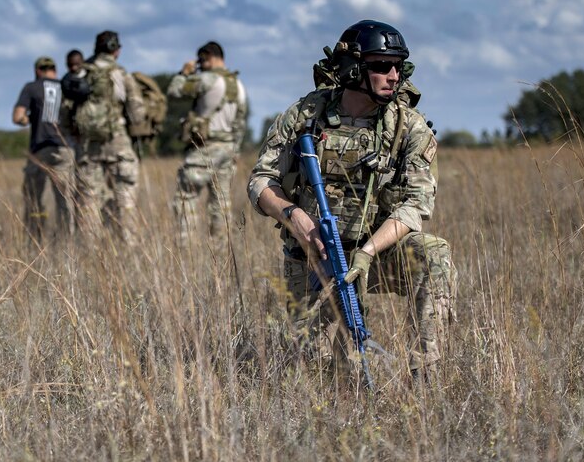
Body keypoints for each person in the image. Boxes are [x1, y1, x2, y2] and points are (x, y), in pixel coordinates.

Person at [247, 20, 456, 378]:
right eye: (381, 66)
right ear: (353, 69)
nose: (393, 75)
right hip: (316, 255)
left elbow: (416, 205)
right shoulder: (305, 116)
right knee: (317, 372)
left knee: (434, 253)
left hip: (375, 252)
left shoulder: (407, 126)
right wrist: (295, 218)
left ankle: (427, 375)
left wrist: (368, 251)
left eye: (398, 66)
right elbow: (261, 181)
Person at [167, 41, 247, 247]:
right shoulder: (238, 86)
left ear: (209, 57)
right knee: (221, 203)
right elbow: (240, 123)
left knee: (186, 197)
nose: (200, 65)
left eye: (201, 60)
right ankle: (221, 250)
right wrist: (235, 151)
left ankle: (186, 250)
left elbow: (175, 91)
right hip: (228, 148)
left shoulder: (207, 79)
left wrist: (184, 73)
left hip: (206, 147)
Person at [74, 30, 145, 241]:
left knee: (88, 202)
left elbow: (66, 113)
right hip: (119, 145)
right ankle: (128, 248)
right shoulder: (121, 74)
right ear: (116, 50)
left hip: (88, 148)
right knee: (126, 201)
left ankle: (91, 254)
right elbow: (137, 114)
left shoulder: (81, 74)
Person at [13, 56, 75, 240]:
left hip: (39, 149)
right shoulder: (65, 86)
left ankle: (35, 239)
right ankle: (67, 241)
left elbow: (18, 117)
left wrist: (30, 119)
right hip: (64, 149)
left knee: (34, 198)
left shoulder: (31, 87)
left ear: (37, 71)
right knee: (65, 200)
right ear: (54, 70)